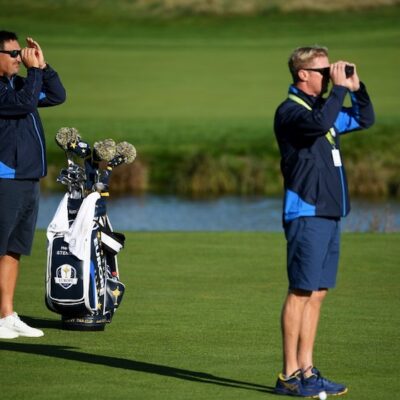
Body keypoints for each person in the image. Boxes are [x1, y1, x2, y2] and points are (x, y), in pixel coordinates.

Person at [273, 46, 374, 397]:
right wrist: (340, 91)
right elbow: (319, 124)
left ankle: (307, 370)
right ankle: (288, 375)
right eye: (322, 71)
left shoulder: (322, 111)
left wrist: (356, 88)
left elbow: (364, 119)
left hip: (329, 214)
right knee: (300, 292)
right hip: (305, 212)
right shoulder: (291, 112)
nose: (329, 75)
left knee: (317, 294)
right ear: (303, 75)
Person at [0, 31, 66, 339]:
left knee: (13, 250)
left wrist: (44, 66)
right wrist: (34, 73)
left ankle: (6, 315)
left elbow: (56, 95)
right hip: (5, 179)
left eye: (19, 53)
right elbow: (26, 104)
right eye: (13, 54)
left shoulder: (19, 84)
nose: (18, 58)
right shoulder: (6, 91)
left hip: (27, 178)